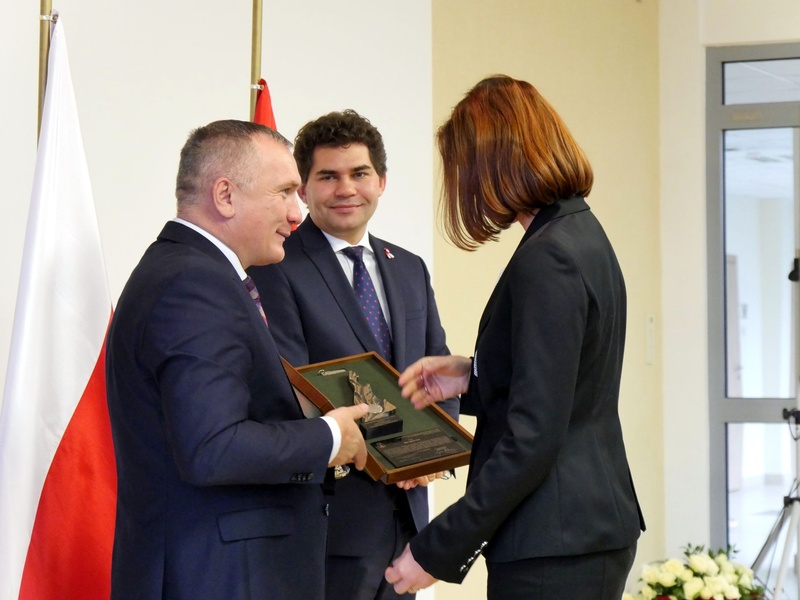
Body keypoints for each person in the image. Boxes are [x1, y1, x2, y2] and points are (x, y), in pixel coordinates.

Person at [384, 75, 646, 599]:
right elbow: (566, 381)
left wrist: (439, 547)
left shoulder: (548, 256)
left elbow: (533, 438)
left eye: (464, 168)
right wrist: (473, 375)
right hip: (581, 529)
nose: (463, 186)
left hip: (556, 539)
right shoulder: (581, 233)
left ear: (493, 162)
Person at [105, 120, 372, 600]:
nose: (297, 213)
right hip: (217, 578)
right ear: (225, 195)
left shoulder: (189, 272)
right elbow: (214, 447)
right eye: (284, 192)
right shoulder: (194, 284)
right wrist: (329, 436)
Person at [247, 109, 459, 600]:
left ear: (381, 181)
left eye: (359, 173)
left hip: (406, 525)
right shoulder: (276, 266)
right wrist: (395, 454)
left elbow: (439, 371)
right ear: (303, 190)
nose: (345, 189)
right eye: (328, 177)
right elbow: (292, 388)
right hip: (329, 527)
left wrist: (433, 453)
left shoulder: (408, 267)